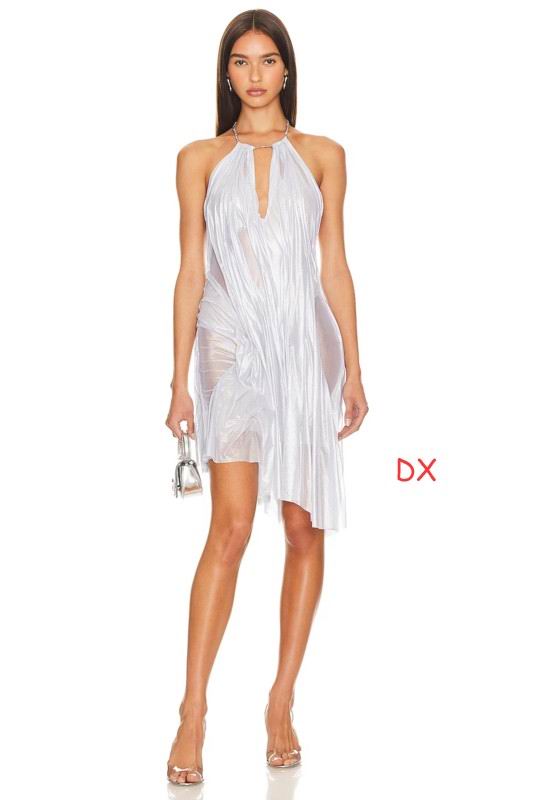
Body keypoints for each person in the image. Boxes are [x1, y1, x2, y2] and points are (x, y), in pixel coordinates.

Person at [165, 9, 368, 786]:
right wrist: (177, 379)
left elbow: (334, 265)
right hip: (226, 343)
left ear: (287, 70)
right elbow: (190, 270)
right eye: (242, 61)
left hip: (303, 347)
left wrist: (354, 368)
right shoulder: (197, 159)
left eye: (268, 60)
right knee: (231, 527)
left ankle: (281, 699)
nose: (255, 74)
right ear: (227, 73)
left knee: (303, 525)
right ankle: (193, 712)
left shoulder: (323, 156)